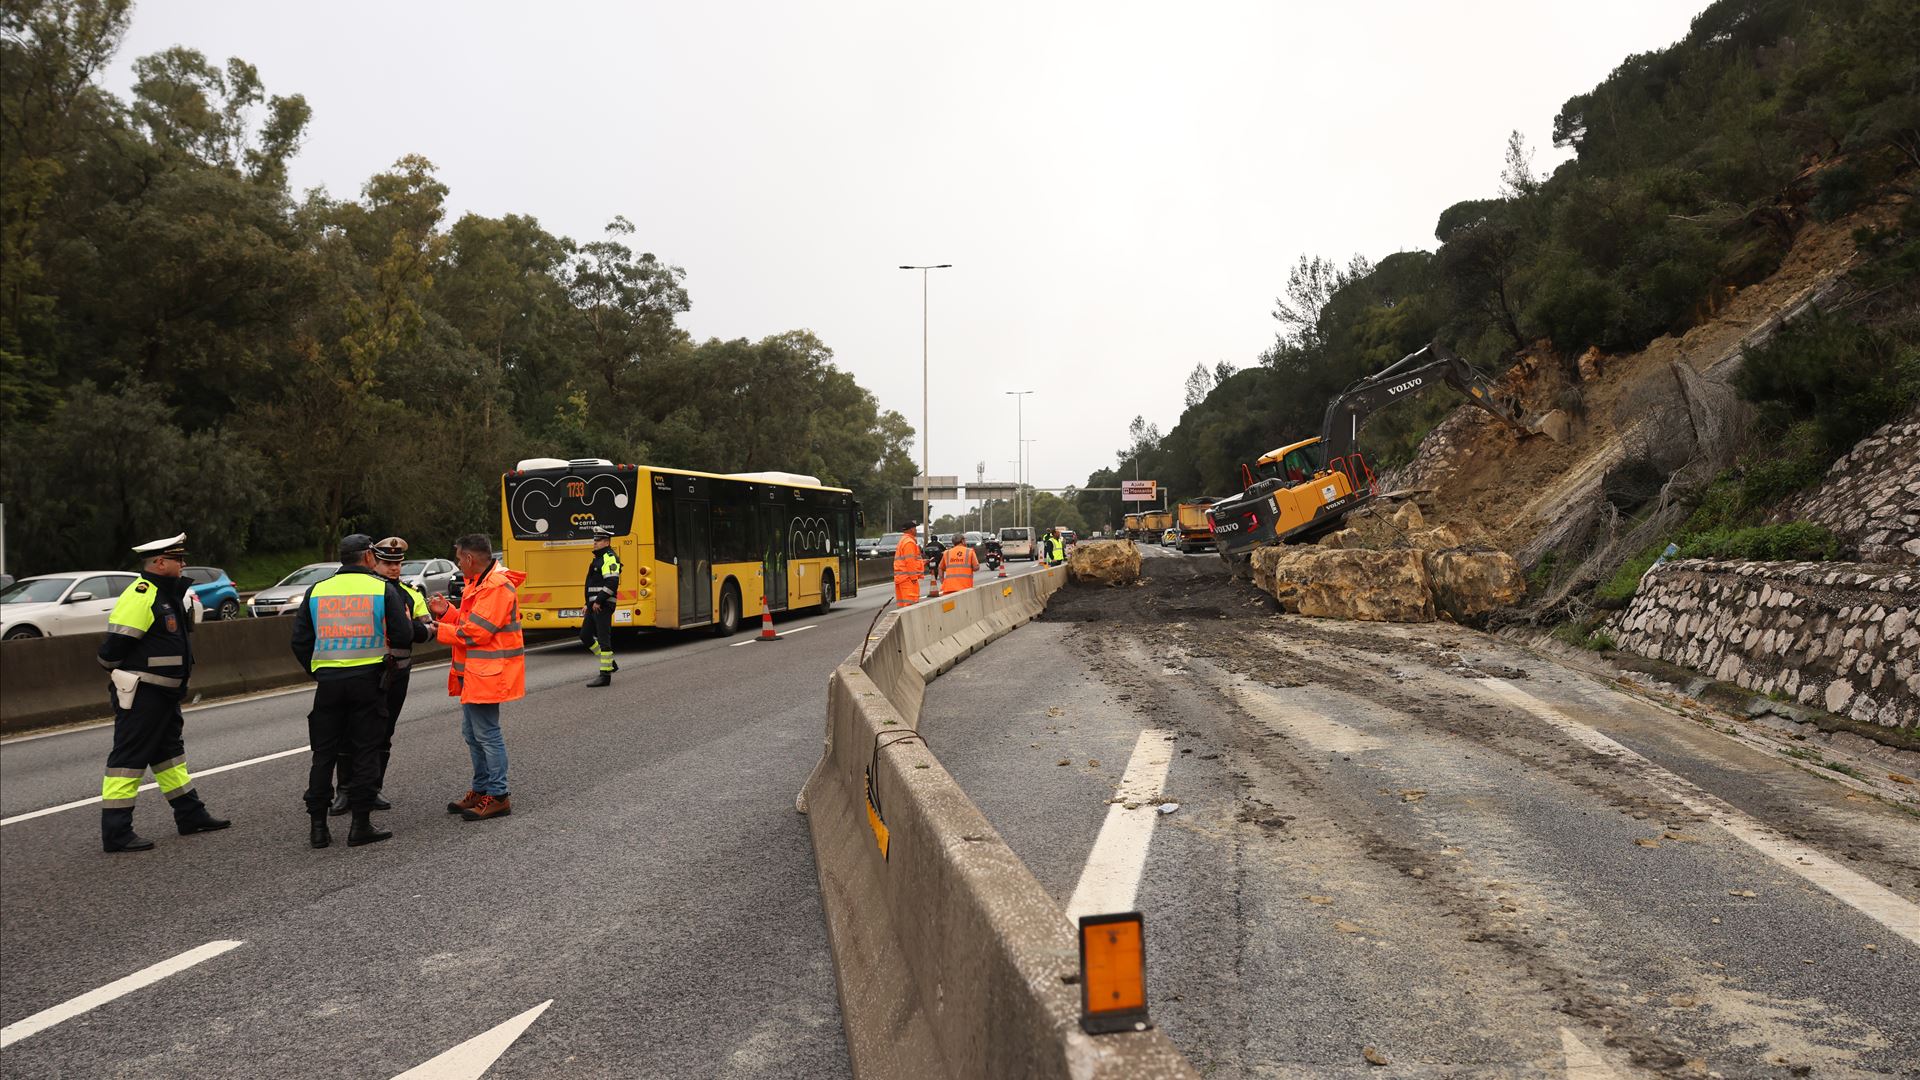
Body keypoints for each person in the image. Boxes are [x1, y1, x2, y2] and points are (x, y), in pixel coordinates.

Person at [95, 533, 230, 853]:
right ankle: (116, 833)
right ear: (159, 562)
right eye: (177, 560)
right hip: (144, 693)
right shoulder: (142, 594)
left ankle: (190, 815)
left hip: (164, 694)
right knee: (128, 760)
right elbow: (111, 651)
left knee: (169, 756)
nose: (183, 564)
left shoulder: (167, 594)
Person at [293, 534, 415, 849]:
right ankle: (360, 826)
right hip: (368, 682)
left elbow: (300, 640)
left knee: (323, 755)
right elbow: (403, 635)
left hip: (329, 683)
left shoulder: (317, 590)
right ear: (366, 558)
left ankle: (318, 829)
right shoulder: (381, 589)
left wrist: (318, 670)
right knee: (366, 751)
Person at [329, 537, 433, 815]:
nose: (393, 569)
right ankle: (345, 790)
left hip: (398, 674)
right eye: (387, 563)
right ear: (374, 561)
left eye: (397, 564)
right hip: (365, 672)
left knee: (384, 733)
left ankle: (373, 788)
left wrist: (410, 627)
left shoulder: (412, 594)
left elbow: (427, 630)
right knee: (348, 733)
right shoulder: (368, 593)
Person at [429, 533, 526, 822]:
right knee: (473, 734)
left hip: (488, 674)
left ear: (470, 559)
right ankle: (482, 789)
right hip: (477, 674)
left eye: (459, 558)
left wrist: (437, 630)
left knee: (486, 734)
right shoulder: (480, 583)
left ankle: (498, 796)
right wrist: (447, 613)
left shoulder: (495, 586)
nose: (458, 564)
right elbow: (471, 622)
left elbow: (478, 632)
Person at [581, 524, 621, 687]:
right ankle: (610, 663)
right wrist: (587, 603)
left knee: (604, 639)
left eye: (598, 540)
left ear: (606, 542)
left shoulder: (609, 557)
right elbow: (593, 584)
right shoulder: (598, 558)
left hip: (603, 605)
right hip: (594, 605)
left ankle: (605, 676)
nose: (594, 543)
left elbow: (612, 581)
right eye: (594, 540)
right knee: (585, 635)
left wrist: (599, 601)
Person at [891, 519, 925, 608]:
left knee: (903, 606)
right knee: (910, 605)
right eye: (915, 528)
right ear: (911, 530)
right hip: (908, 579)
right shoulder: (909, 542)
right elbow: (909, 561)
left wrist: (922, 563)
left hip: (902, 578)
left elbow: (908, 560)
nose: (916, 530)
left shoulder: (903, 540)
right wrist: (913, 578)